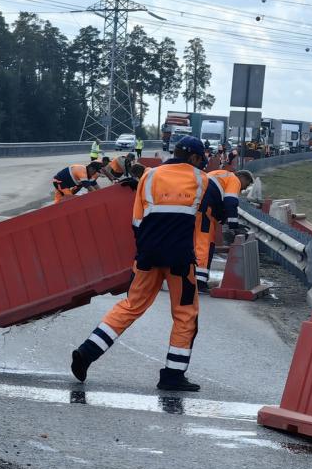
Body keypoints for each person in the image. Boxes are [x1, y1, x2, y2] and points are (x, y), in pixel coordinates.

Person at [70, 136, 212, 392]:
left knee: (131, 306)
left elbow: (137, 221)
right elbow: (207, 216)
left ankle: (87, 352)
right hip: (180, 259)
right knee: (185, 314)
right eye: (200, 160)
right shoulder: (201, 179)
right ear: (193, 158)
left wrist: (146, 250)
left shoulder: (150, 176)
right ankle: (172, 374)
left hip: (147, 254)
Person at [194, 169, 254, 291]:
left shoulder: (219, 174)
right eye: (246, 185)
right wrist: (234, 226)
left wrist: (224, 219)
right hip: (205, 212)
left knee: (197, 244)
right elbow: (230, 202)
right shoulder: (234, 180)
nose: (242, 190)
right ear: (242, 177)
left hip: (197, 209)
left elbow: (219, 201)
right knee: (204, 246)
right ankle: (199, 282)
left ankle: (192, 278)